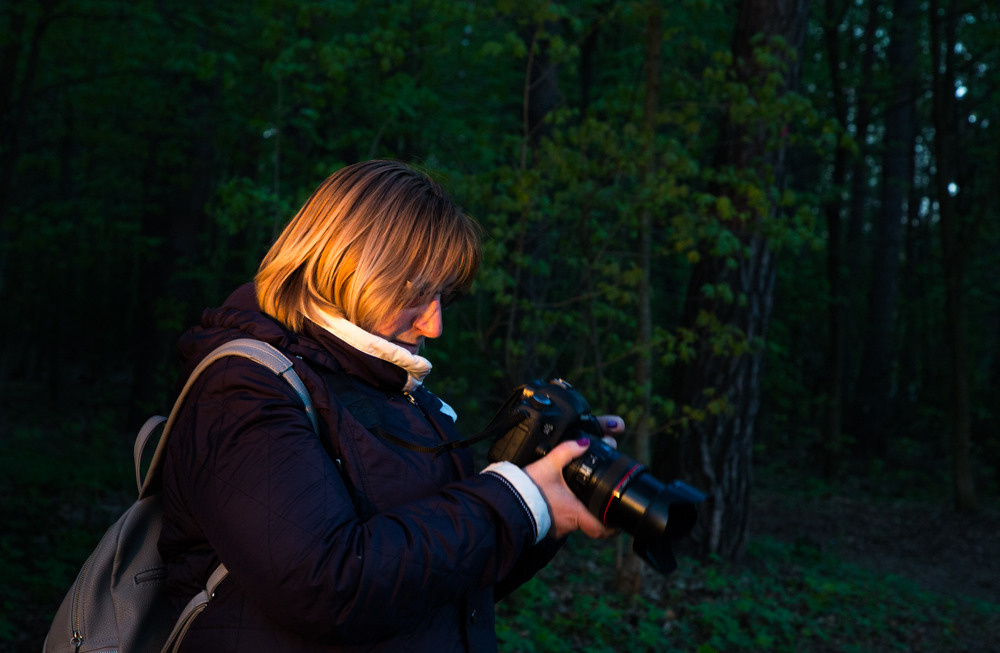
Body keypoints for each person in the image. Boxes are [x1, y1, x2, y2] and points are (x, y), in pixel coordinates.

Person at [158, 159, 623, 652]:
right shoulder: (242, 388)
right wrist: (516, 500)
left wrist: (546, 506)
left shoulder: (399, 395)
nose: (434, 325)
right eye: (418, 293)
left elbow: (441, 591)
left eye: (444, 296)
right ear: (348, 265)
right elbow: (325, 586)